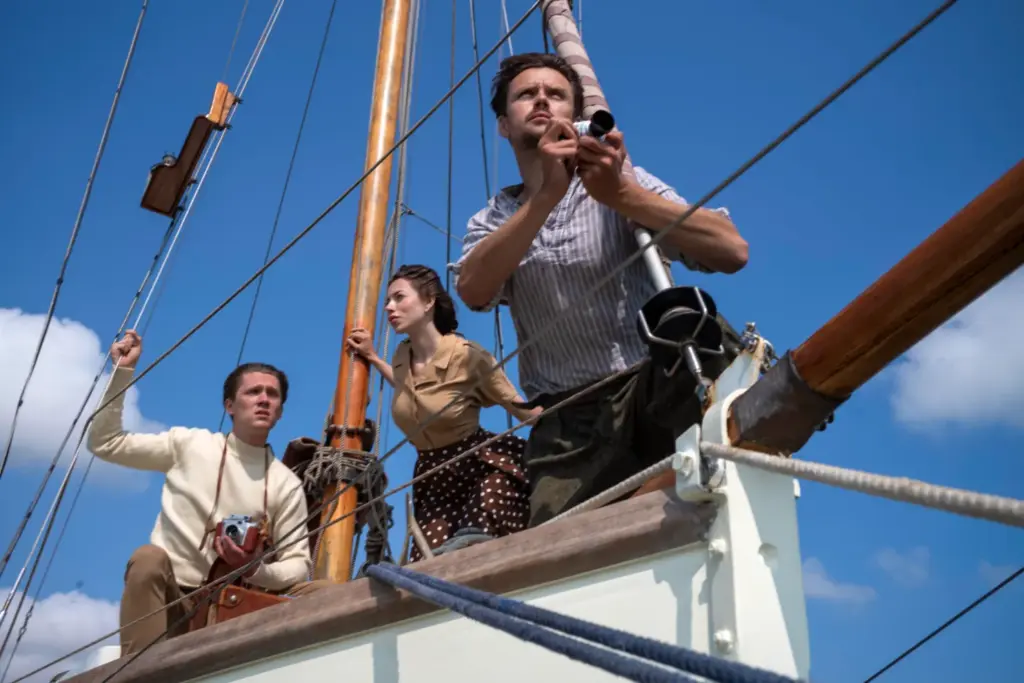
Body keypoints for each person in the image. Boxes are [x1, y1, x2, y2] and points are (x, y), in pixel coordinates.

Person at [451, 53, 750, 526]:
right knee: (561, 548)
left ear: (575, 115)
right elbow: (473, 290)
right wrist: (545, 196)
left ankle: (710, 450)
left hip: (651, 387)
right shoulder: (490, 220)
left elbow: (731, 251)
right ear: (504, 126)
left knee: (700, 331)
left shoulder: (618, 180)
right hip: (569, 420)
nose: (543, 100)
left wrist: (622, 196)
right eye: (527, 94)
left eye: (556, 94)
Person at [87, 330, 329, 656]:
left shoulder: (285, 484)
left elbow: (298, 564)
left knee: (327, 591)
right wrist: (122, 373)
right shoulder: (189, 445)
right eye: (253, 392)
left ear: (281, 411)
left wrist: (255, 567)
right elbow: (106, 443)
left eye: (272, 395)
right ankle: (138, 672)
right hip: (171, 598)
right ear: (229, 405)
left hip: (234, 602)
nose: (263, 399)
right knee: (148, 558)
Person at [346, 264, 538, 561]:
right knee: (426, 562)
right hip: (433, 477)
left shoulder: (467, 355)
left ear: (428, 301)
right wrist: (371, 356)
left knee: (475, 544)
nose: (389, 308)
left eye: (398, 298)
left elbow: (522, 409)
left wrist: (570, 419)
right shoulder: (401, 355)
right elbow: (407, 387)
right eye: (387, 301)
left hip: (480, 468)